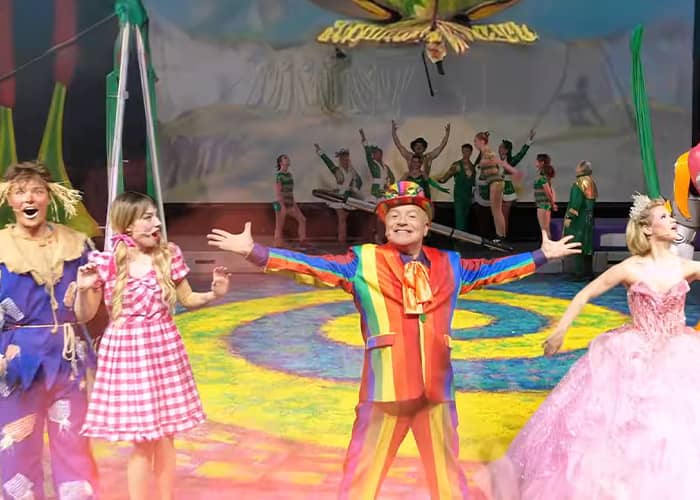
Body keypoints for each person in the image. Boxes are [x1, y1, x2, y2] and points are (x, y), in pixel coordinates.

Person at [207, 181, 579, 500]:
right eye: (394, 215)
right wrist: (255, 252)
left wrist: (541, 256)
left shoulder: (449, 264)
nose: (402, 221)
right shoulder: (363, 262)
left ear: (427, 225)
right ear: (384, 225)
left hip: (435, 394)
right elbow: (310, 267)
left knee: (448, 482)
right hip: (384, 392)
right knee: (361, 480)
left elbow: (493, 271)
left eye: (411, 215)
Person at [491, 194, 700, 500]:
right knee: (621, 426)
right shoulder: (630, 268)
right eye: (664, 217)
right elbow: (584, 294)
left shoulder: (687, 266)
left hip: (678, 354)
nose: (672, 221)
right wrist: (560, 330)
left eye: (670, 217)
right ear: (646, 228)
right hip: (635, 355)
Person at [75, 191, 230, 500]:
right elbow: (84, 315)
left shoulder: (169, 254)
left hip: (163, 348)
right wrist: (82, 290)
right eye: (147, 217)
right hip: (129, 354)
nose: (157, 222)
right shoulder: (105, 263)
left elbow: (188, 298)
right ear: (127, 225)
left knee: (166, 436)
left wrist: (215, 294)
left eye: (155, 215)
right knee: (143, 440)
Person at [0, 161, 98, 499]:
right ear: (9, 199)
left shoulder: (77, 244)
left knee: (74, 443)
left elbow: (85, 315)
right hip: (15, 361)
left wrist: (86, 289)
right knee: (16, 445)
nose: (29, 198)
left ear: (49, 197)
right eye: (20, 192)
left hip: (67, 357)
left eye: (37, 191)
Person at [474, 131, 521, 242]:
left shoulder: (488, 152)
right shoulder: (485, 152)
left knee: (496, 212)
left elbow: (499, 162)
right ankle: (501, 237)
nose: (474, 143)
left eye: (475, 141)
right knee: (496, 211)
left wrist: (513, 171)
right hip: (494, 183)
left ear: (482, 141)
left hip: (496, 183)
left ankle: (501, 238)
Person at [314, 144, 363, 244]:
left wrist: (355, 188)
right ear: (340, 160)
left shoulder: (351, 171)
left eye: (346, 159)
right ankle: (341, 241)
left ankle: (342, 239)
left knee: (344, 219)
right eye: (343, 159)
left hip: (347, 198)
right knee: (342, 219)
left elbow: (359, 181)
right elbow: (329, 163)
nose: (345, 161)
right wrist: (321, 152)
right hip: (338, 197)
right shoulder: (337, 170)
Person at [359, 128, 395, 243]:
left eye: (378, 153)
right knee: (372, 217)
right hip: (375, 192)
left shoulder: (385, 167)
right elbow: (367, 154)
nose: (376, 155)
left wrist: (389, 186)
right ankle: (369, 238)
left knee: (382, 218)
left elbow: (392, 178)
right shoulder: (372, 164)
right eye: (375, 153)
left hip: (383, 193)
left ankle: (380, 237)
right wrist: (364, 138)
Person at [563, 160, 597, 279]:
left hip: (580, 218)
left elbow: (576, 203)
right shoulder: (591, 181)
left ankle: (579, 272)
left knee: (577, 242)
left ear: (581, 169)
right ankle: (588, 272)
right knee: (587, 244)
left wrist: (569, 217)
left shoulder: (578, 183)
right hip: (589, 217)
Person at [436, 143, 476, 232]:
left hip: (468, 195)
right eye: (464, 151)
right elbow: (446, 176)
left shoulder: (472, 166)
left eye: (467, 151)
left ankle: (464, 236)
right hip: (459, 194)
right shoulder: (457, 165)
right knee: (459, 217)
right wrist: (438, 180)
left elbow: (473, 182)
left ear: (471, 152)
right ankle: (459, 236)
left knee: (465, 217)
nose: (465, 153)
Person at [273, 154, 307, 248]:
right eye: (285, 158)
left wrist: (294, 205)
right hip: (280, 204)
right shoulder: (278, 175)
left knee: (302, 219)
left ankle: (302, 241)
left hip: (290, 202)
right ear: (280, 162)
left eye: (288, 158)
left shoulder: (289, 175)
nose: (287, 159)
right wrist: (282, 205)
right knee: (279, 225)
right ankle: (277, 245)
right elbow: (278, 192)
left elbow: (290, 192)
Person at [533, 153, 557, 238]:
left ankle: (547, 245)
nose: (535, 162)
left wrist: (553, 204)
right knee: (545, 229)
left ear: (542, 162)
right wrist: (552, 203)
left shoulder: (542, 177)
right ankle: (547, 244)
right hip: (544, 204)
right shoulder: (544, 176)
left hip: (543, 205)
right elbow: (552, 190)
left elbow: (548, 191)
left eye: (537, 161)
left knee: (544, 229)